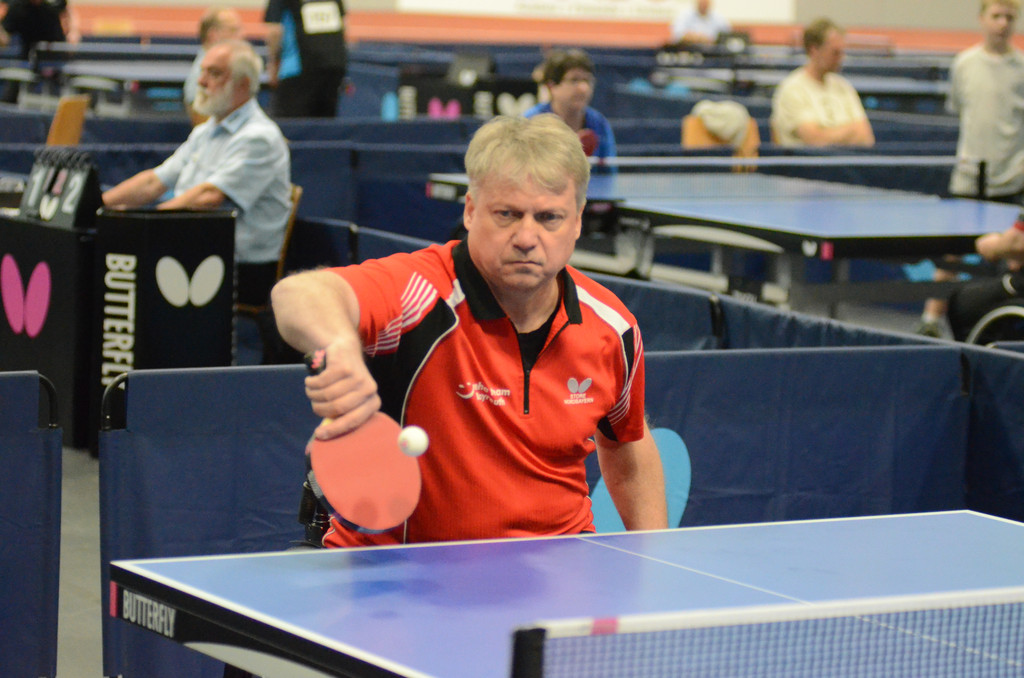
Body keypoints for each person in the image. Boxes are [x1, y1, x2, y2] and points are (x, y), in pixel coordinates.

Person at [271, 114, 668, 548]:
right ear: (471, 210)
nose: (527, 237)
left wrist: (655, 558)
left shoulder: (612, 326)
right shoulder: (422, 292)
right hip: (406, 570)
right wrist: (341, 345)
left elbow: (627, 444)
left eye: (549, 217)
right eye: (507, 214)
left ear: (576, 222)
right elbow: (299, 294)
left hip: (558, 565)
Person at [102, 39, 292, 309]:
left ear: (243, 84)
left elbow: (208, 197)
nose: (201, 81)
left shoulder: (259, 137)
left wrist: (143, 225)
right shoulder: (206, 131)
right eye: (203, 71)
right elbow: (153, 182)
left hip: (240, 267)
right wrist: (98, 204)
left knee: (123, 267)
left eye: (214, 73)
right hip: (195, 247)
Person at [918, 0, 1024, 337]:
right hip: (968, 175)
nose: (1003, 23)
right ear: (982, 19)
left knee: (1016, 255)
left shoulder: (1022, 67)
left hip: (1012, 178)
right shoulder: (964, 64)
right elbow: (959, 108)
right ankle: (930, 320)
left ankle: (1003, 324)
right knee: (951, 255)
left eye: (1010, 17)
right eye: (996, 16)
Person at [770, 17, 875, 147]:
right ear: (814, 50)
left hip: (849, 160)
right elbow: (815, 140)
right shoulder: (792, 89)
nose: (841, 58)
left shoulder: (843, 86)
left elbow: (866, 137)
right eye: (835, 53)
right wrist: (851, 131)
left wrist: (827, 134)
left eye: (842, 52)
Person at [523, 49, 616, 161]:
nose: (583, 88)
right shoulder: (529, 123)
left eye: (587, 80)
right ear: (552, 86)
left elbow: (608, 170)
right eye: (574, 80)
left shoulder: (600, 124)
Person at [263, 0, 347, 117]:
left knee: (290, 124)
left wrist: (273, 64)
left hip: (297, 69)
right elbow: (343, 25)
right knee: (323, 123)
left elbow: (275, 31)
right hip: (334, 66)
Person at [0, 0, 79, 103]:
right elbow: (5, 40)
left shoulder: (52, 5)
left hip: (55, 57)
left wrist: (73, 31)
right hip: (29, 58)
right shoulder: (17, 8)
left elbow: (67, 10)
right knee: (13, 89)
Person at [183, 6, 243, 117]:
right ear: (213, 34)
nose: (241, 36)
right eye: (233, 30)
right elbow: (200, 117)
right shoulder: (200, 76)